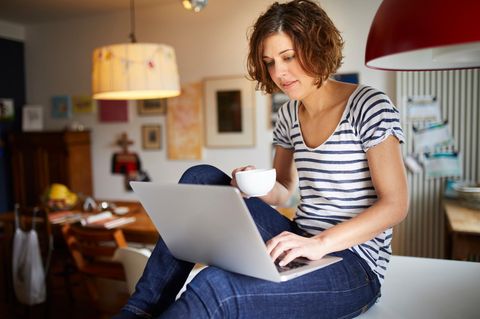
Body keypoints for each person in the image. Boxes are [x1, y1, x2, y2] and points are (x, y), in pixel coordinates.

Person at [114, 1, 408, 318]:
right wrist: (248, 188)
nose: (278, 73)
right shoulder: (288, 115)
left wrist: (320, 244)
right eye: (269, 62)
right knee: (200, 177)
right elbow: (283, 189)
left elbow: (395, 204)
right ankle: (139, 310)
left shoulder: (368, 105)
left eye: (288, 57)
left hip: (354, 265)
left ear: (317, 46)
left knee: (214, 285)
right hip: (300, 239)